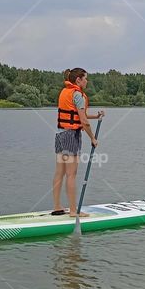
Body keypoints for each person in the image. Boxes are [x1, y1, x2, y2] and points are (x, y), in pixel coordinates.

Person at [53, 68, 104, 217]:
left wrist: (96, 115)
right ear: (78, 80)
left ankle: (57, 206)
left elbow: (81, 115)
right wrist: (93, 138)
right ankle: (74, 211)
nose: (87, 81)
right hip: (71, 136)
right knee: (71, 175)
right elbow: (84, 122)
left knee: (59, 173)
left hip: (60, 135)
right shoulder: (78, 95)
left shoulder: (65, 92)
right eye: (85, 79)